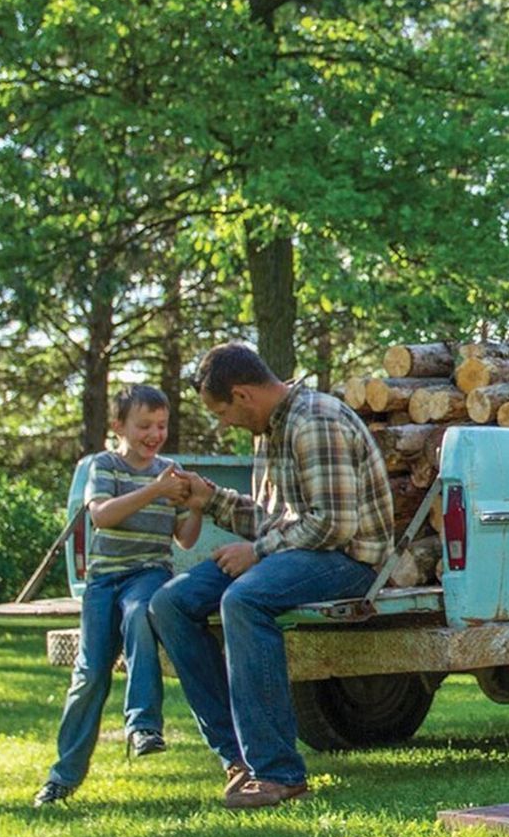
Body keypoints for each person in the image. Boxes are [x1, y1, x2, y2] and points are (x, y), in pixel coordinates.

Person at [150, 343, 395, 809]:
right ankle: (238, 758)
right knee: (170, 604)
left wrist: (257, 553)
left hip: (351, 562)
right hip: (302, 553)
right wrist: (209, 499)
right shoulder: (270, 430)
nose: (224, 423)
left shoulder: (314, 421)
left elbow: (333, 525)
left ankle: (279, 772)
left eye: (222, 411)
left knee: (244, 600)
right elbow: (273, 519)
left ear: (242, 395)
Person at [34, 386, 202, 807]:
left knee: (140, 615)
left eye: (161, 425)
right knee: (89, 673)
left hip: (148, 573)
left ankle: (144, 725)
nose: (154, 434)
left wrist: (196, 503)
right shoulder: (104, 466)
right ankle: (63, 777)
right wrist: (156, 491)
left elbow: (184, 539)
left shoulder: (171, 473)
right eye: (144, 425)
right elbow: (102, 515)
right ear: (118, 427)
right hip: (103, 581)